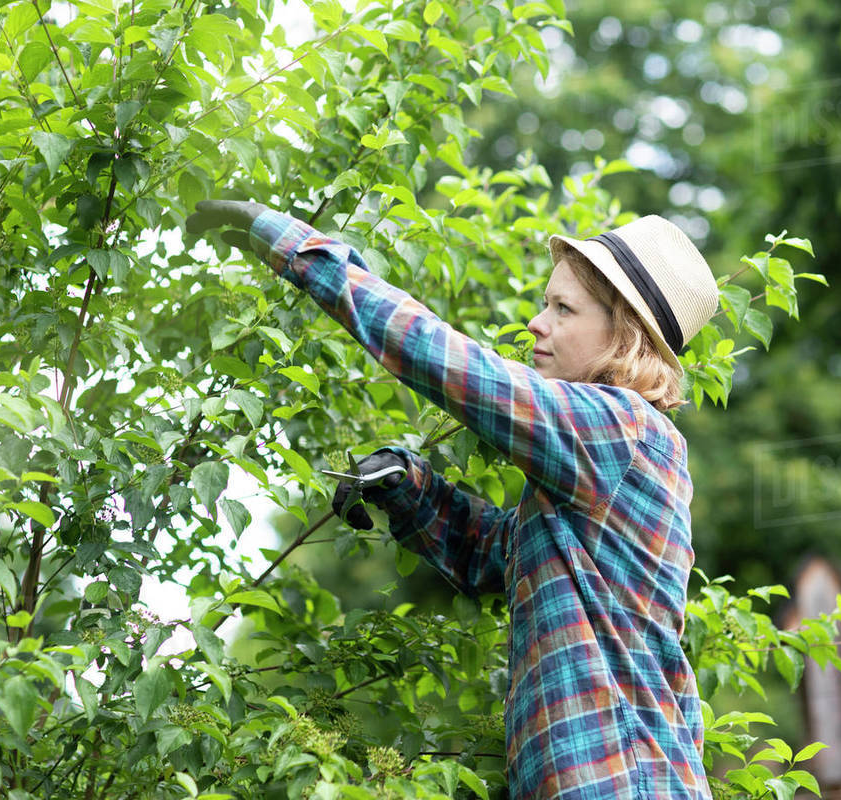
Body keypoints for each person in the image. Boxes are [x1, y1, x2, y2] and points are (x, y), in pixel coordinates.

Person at [186, 199, 719, 799]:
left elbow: (453, 364)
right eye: (546, 303)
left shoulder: (622, 431)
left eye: (562, 308)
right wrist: (409, 486)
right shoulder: (596, 465)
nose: (536, 325)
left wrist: (291, 246)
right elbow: (496, 554)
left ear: (624, 336)